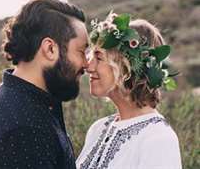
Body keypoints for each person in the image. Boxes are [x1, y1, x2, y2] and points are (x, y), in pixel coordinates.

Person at [0, 0, 89, 169]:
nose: (86, 64)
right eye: (81, 51)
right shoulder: (25, 129)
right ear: (50, 49)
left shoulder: (21, 97)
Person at [77, 12, 182, 169]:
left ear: (127, 67)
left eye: (99, 58)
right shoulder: (98, 129)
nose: (89, 67)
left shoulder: (158, 139)